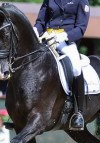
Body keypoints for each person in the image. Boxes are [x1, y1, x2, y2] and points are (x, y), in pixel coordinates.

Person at [33, 0, 90, 130]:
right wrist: (35, 30)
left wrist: (65, 35)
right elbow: (41, 21)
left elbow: (81, 28)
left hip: (65, 41)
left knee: (76, 67)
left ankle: (78, 113)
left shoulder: (81, 1)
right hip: (46, 38)